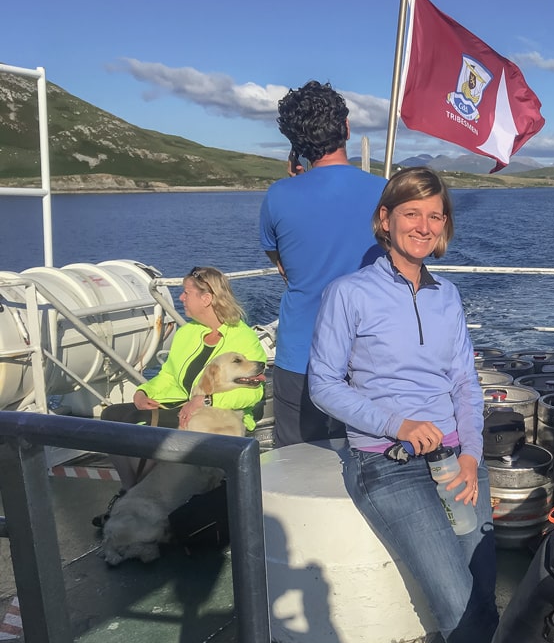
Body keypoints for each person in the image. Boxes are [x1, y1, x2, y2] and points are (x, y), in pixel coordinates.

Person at [308, 167, 532, 643]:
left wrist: (473, 458)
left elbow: (463, 385)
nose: (424, 225)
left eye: (435, 215)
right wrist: (397, 423)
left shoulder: (447, 296)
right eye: (412, 213)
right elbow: (323, 384)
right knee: (460, 606)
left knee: (480, 602)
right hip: (388, 464)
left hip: (457, 462)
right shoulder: (348, 294)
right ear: (385, 220)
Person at [259, 80, 387, 448]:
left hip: (302, 357)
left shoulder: (278, 196)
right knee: (375, 463)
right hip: (368, 358)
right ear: (346, 128)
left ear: (296, 143)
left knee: (299, 466)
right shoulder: (387, 193)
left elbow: (282, 265)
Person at [99, 266, 266, 493]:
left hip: (220, 417)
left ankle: (146, 494)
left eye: (186, 293)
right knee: (111, 415)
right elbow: (169, 375)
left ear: (206, 299)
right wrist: (144, 392)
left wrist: (206, 401)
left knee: (139, 423)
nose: (181, 298)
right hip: (182, 405)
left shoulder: (242, 337)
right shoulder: (189, 332)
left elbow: (254, 391)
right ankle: (130, 489)